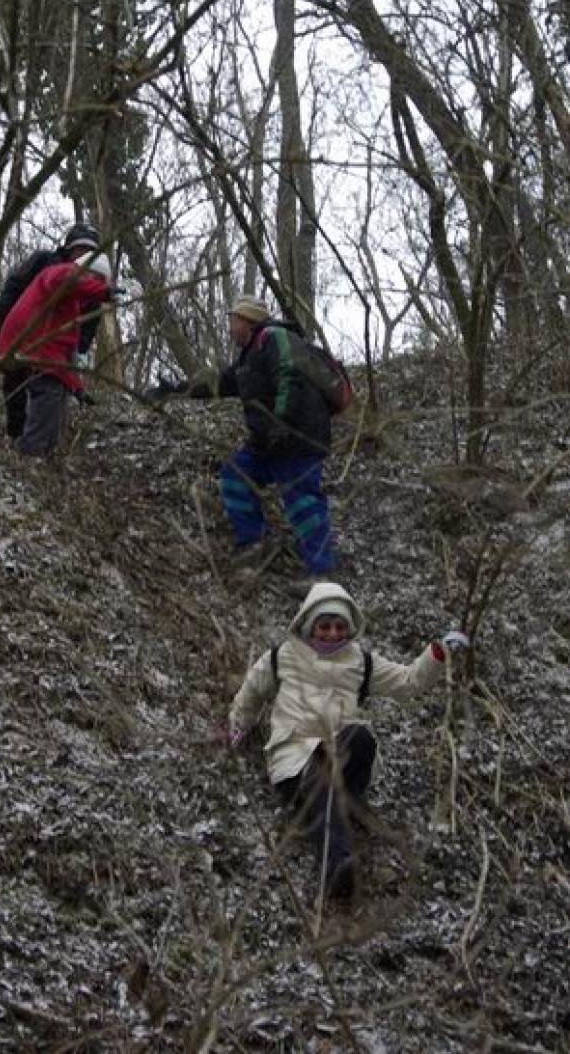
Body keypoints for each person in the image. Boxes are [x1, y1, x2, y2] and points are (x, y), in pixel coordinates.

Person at [226, 581, 469, 900]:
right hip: (295, 760)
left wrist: (439, 655)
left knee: (362, 738)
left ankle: (347, 802)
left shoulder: (361, 662)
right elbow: (252, 691)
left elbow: (409, 682)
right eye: (324, 626)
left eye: (339, 626)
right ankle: (336, 867)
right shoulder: (282, 657)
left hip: (341, 753)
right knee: (322, 783)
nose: (331, 633)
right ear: (309, 624)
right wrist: (237, 726)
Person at [164, 295, 338, 575]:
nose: (230, 328)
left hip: (298, 439)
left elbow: (289, 376)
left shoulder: (275, 338)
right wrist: (175, 389)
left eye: (232, 320)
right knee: (235, 474)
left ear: (246, 320)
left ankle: (322, 574)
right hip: (268, 443)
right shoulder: (249, 357)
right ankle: (254, 542)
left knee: (302, 502)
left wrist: (280, 424)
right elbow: (218, 384)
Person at [0, 242, 115, 457]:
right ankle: (32, 454)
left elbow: (65, 352)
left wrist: (77, 388)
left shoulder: (71, 307)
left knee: (58, 393)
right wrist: (104, 292)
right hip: (23, 344)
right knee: (48, 391)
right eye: (94, 280)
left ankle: (45, 453)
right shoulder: (61, 272)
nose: (92, 289)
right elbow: (64, 281)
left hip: (40, 350)